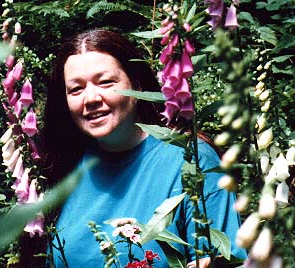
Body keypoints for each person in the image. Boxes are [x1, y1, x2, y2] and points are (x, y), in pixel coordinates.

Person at [40, 29, 247, 268]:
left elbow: (226, 260)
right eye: (76, 89)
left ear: (136, 86)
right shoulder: (63, 164)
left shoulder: (192, 160)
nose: (91, 98)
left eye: (106, 82)